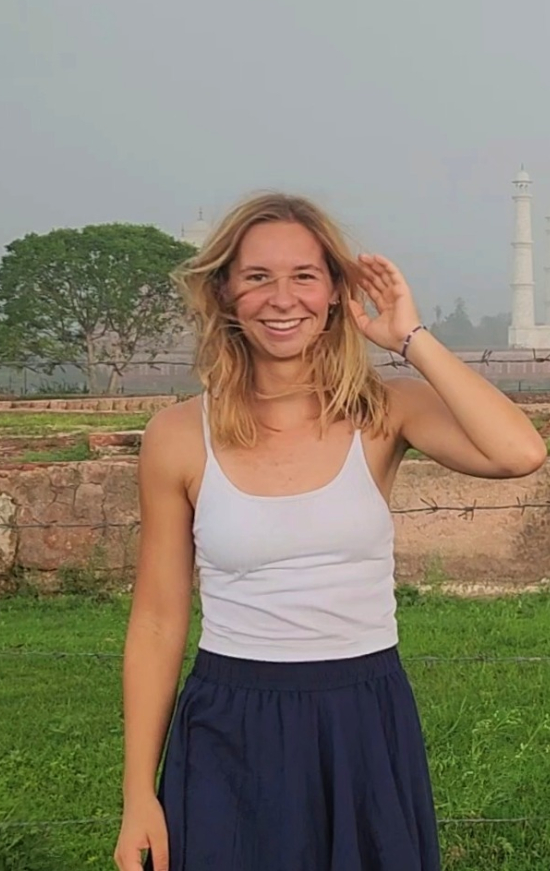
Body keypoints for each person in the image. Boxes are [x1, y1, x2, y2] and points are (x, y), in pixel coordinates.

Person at [113, 193, 546, 871]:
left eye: (305, 276)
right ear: (225, 292)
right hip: (229, 721)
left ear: (337, 292)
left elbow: (518, 452)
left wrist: (409, 336)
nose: (282, 298)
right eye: (257, 276)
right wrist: (138, 791)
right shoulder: (175, 436)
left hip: (362, 718)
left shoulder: (384, 410)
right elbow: (159, 620)